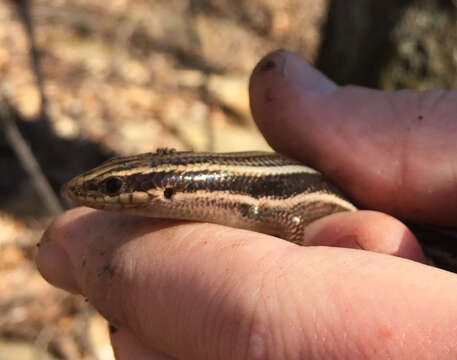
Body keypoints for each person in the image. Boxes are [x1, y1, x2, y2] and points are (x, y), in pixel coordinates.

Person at [37, 49, 457, 359]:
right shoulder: (196, 195)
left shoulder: (249, 204)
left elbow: (290, 217)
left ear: (162, 190)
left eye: (113, 190)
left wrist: (296, 251)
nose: (95, 198)